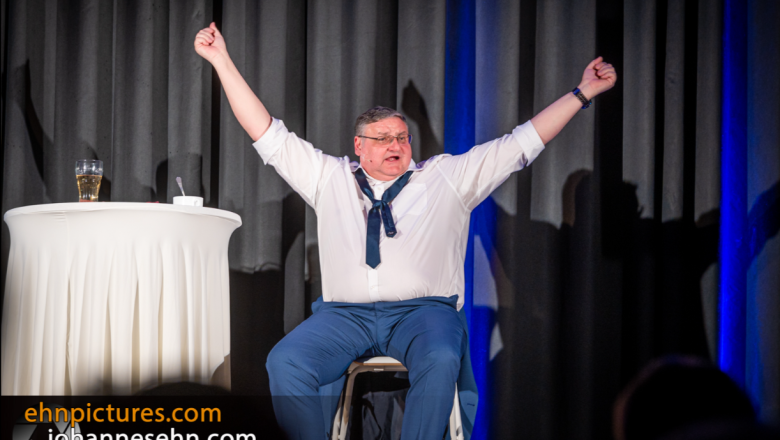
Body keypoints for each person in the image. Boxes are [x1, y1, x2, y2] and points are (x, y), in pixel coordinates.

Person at [194, 22, 616, 440]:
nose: (395, 145)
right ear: (359, 146)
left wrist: (581, 94)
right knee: (286, 360)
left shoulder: (446, 177)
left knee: (441, 355)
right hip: (344, 316)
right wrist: (221, 60)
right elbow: (267, 132)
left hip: (423, 314)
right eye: (382, 139)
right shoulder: (329, 177)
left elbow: (520, 144)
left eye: (402, 137)